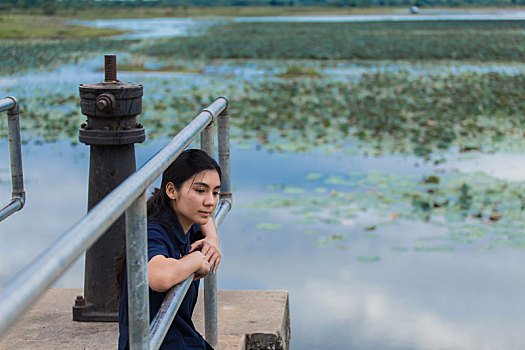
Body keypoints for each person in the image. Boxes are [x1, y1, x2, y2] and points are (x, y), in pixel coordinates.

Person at [118, 148, 222, 350]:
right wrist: (196, 261)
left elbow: (206, 218)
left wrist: (212, 238)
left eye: (216, 192)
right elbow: (160, 277)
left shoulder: (184, 221)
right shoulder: (154, 232)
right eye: (200, 190)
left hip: (179, 339)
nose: (210, 201)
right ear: (171, 190)